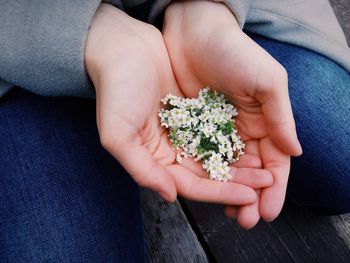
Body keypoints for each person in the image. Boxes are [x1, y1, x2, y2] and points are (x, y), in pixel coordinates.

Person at [0, 0, 349, 261]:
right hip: (23, 43)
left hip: (210, 14)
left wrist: (206, 12)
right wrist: (92, 32)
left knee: (340, 158)